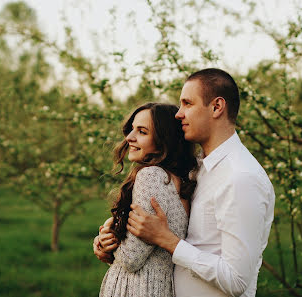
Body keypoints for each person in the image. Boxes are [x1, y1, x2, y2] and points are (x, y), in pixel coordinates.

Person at [95, 68, 275, 297]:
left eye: (187, 104)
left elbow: (236, 280)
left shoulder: (241, 177)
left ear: (217, 107)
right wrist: (110, 234)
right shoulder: (196, 171)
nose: (179, 114)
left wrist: (167, 240)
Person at [97, 102, 198, 297]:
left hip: (137, 287)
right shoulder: (181, 178)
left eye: (142, 132)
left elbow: (131, 258)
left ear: (163, 141)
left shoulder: (151, 176)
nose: (129, 137)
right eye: (132, 129)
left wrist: (111, 236)